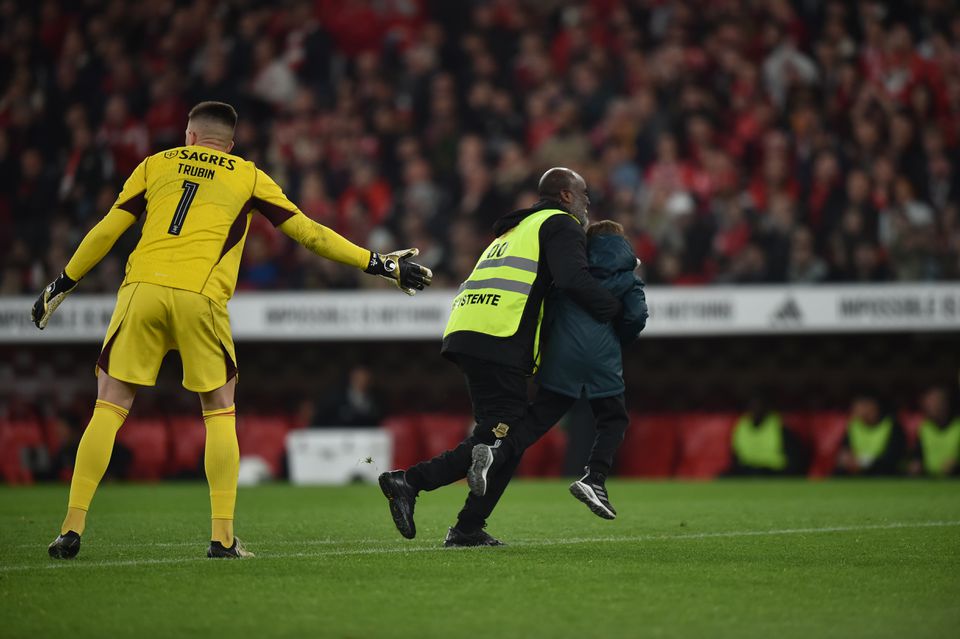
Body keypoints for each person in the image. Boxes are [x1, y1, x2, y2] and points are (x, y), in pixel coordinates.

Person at [33, 101, 433, 560]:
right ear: (231, 143)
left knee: (109, 406)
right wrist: (378, 264)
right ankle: (222, 538)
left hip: (140, 290)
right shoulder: (248, 175)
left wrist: (62, 283)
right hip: (200, 296)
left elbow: (108, 229)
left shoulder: (154, 164)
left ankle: (71, 527)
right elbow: (309, 233)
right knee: (219, 412)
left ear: (190, 136)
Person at [378, 167, 622, 546]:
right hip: (499, 334)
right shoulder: (560, 223)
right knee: (499, 439)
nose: (589, 200)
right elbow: (573, 280)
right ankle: (408, 482)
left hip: (470, 326)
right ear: (566, 196)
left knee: (507, 438)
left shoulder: (516, 228)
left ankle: (468, 527)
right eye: (584, 192)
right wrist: (614, 309)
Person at [512, 219, 648, 519]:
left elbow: (546, 312)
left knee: (538, 419)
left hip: (563, 356)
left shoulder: (572, 270)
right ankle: (595, 478)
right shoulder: (627, 276)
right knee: (613, 419)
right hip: (602, 358)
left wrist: (551, 342)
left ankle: (496, 454)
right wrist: (616, 338)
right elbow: (637, 316)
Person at [726, 397, 808, 476]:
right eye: (752, 406)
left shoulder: (779, 427)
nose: (755, 410)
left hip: (773, 470)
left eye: (759, 406)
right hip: (748, 470)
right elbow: (735, 454)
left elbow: (795, 456)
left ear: (766, 408)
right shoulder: (741, 426)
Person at [835, 394, 907, 476]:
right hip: (857, 474)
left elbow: (892, 458)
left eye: (859, 405)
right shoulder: (853, 424)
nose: (854, 409)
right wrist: (845, 457)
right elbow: (846, 447)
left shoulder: (891, 426)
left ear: (871, 406)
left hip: (884, 474)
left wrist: (862, 462)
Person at [909, 386, 960, 478]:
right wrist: (916, 464)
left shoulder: (957, 426)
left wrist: (956, 466)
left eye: (936, 403)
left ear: (945, 404)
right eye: (929, 404)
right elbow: (918, 455)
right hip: (928, 479)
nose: (932, 407)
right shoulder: (924, 428)